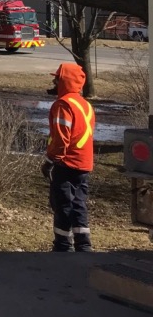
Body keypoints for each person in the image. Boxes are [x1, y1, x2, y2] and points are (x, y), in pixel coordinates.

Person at [41, 61, 95, 252]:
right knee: (79, 204)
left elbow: (60, 138)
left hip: (66, 163)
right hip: (83, 163)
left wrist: (49, 162)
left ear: (64, 81)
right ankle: (84, 245)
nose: (54, 83)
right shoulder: (85, 105)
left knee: (62, 204)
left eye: (57, 79)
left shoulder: (63, 105)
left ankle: (63, 246)